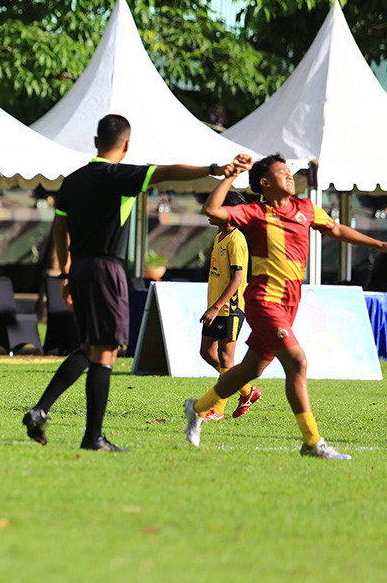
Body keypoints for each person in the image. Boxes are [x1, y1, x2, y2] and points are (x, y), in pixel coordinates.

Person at [22, 114, 247, 451]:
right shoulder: (120, 176)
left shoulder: (72, 181)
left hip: (80, 269)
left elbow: (59, 230)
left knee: (88, 347)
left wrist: (66, 273)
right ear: (126, 145)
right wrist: (215, 168)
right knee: (107, 351)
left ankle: (40, 411)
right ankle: (93, 437)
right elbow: (168, 172)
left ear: (96, 142)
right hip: (105, 269)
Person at [185, 153, 387, 459]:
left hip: (289, 303)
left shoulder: (306, 207)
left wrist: (380, 245)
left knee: (251, 368)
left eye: (289, 172)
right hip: (263, 300)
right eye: (282, 172)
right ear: (265, 184)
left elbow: (336, 229)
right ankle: (312, 442)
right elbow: (212, 209)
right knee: (297, 362)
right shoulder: (254, 213)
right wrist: (231, 175)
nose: (289, 176)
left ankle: (197, 408)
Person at [199, 191, 260, 420]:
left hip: (230, 308)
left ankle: (218, 409)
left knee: (226, 357)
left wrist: (216, 307)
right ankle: (246, 391)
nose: (209, 210)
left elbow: (237, 280)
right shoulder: (219, 236)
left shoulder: (236, 240)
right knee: (206, 352)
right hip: (216, 306)